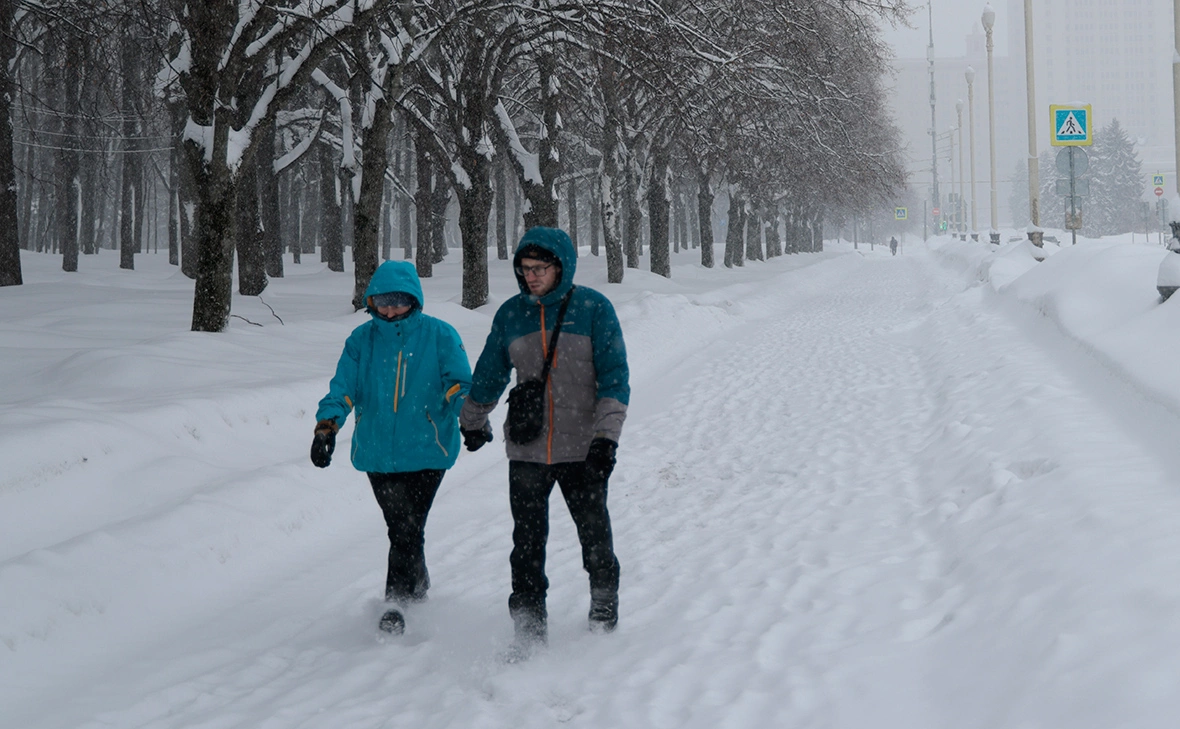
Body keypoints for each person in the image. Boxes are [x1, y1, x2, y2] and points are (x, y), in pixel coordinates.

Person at [460, 226, 629, 657]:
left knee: (594, 535)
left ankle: (604, 602)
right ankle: (529, 626)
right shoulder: (511, 315)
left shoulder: (593, 309)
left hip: (583, 447)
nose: (530, 276)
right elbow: (489, 373)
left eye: (539, 268)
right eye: (523, 268)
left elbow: (615, 377)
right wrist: (472, 420)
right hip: (528, 447)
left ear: (561, 266)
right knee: (527, 545)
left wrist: (606, 438)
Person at [311, 260, 472, 636]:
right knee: (403, 526)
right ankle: (418, 585)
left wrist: (471, 419)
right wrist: (327, 427)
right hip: (378, 453)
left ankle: (397, 601)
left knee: (405, 526)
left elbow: (458, 385)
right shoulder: (361, 341)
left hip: (428, 450)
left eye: (398, 301)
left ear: (414, 300)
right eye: (382, 301)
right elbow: (343, 389)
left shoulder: (440, 335)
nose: (389, 309)